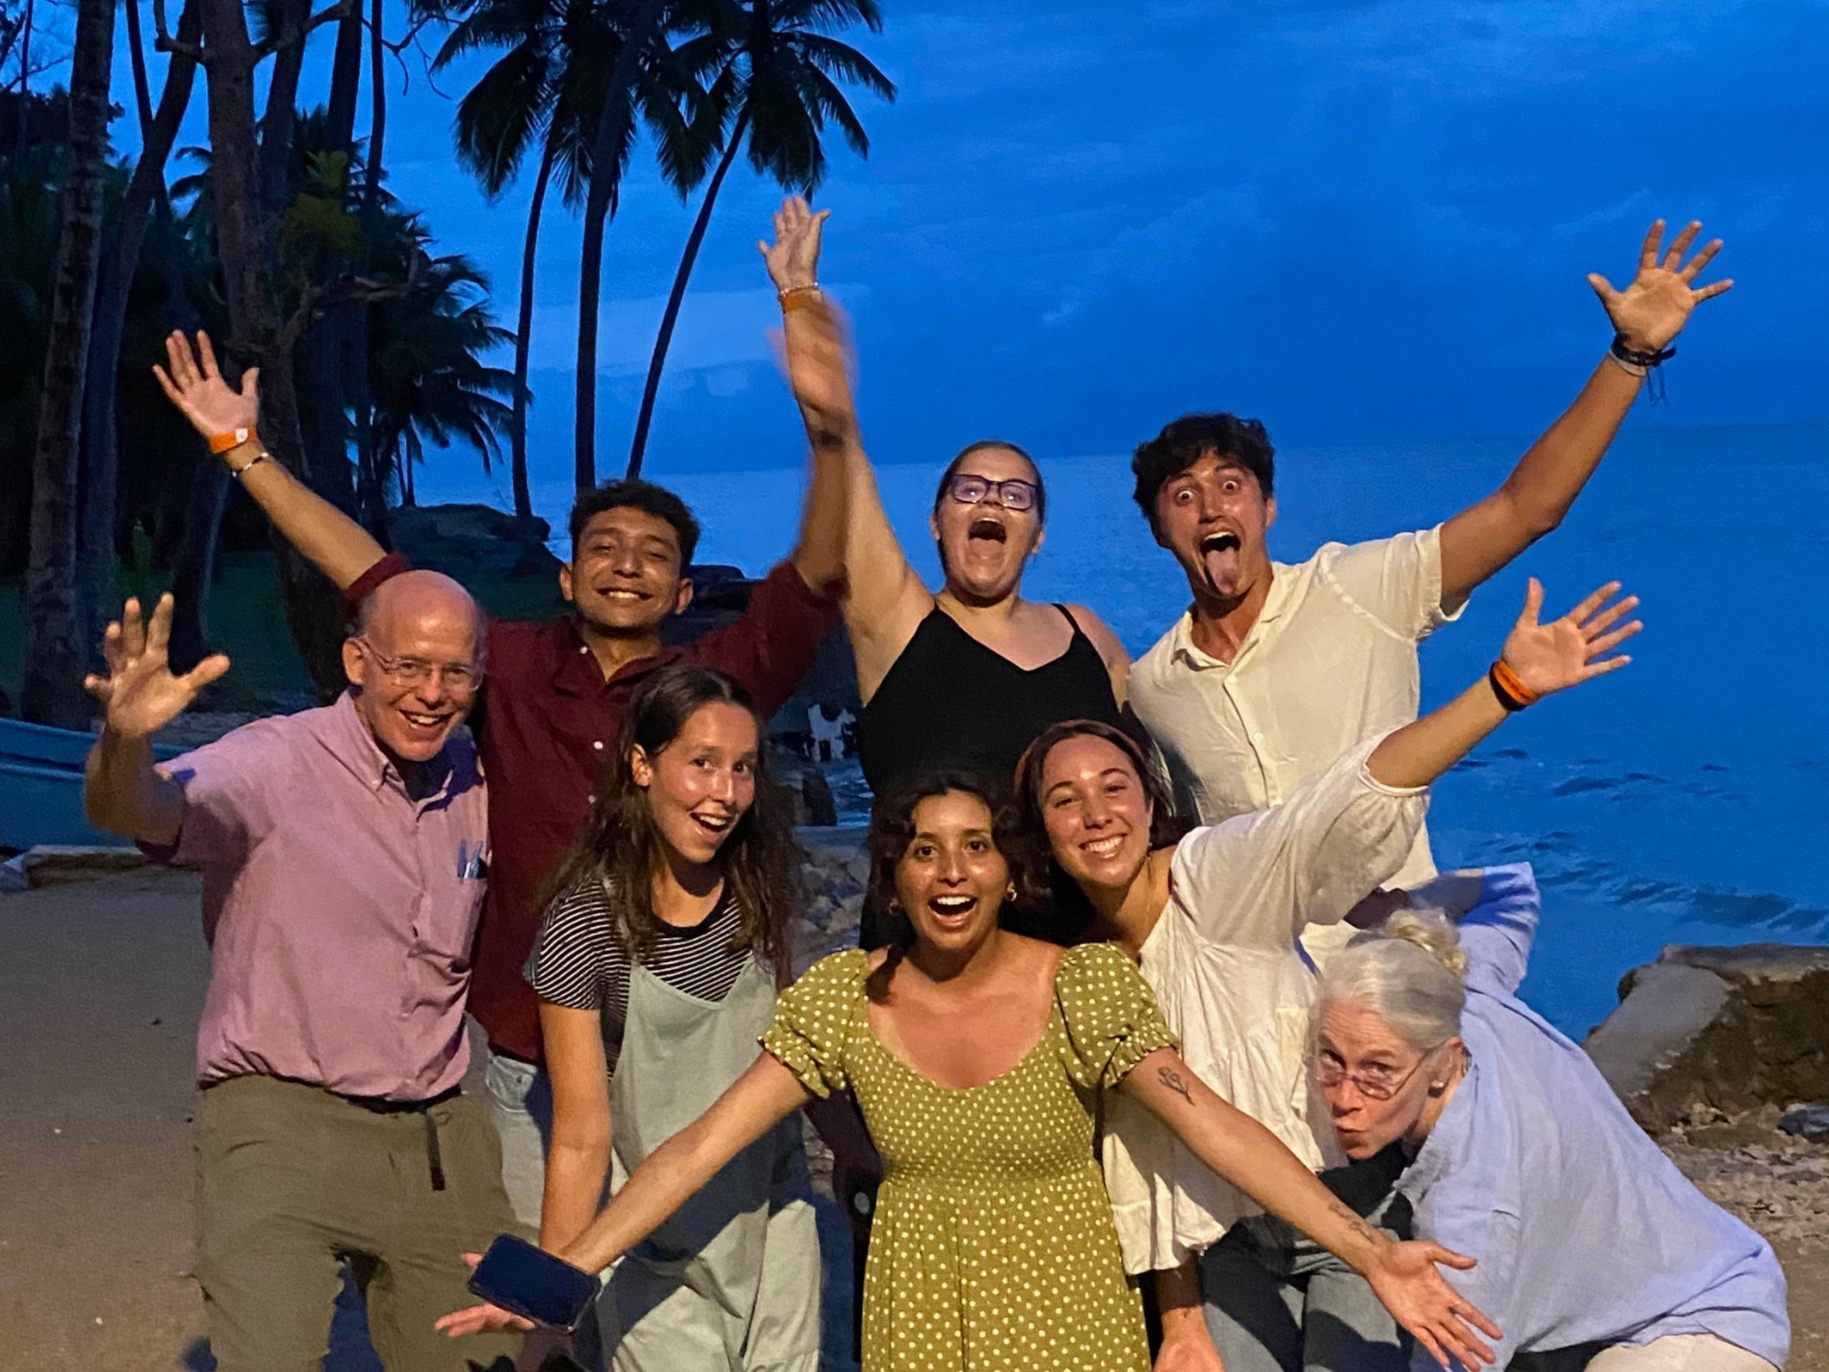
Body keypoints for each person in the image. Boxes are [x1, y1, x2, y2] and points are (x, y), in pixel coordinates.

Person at [440, 771, 1503, 1371]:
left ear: (1005, 870)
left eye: (976, 845)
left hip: (1068, 1309)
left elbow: (1211, 1125)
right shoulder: (842, 1000)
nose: (952, 869)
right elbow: (692, 1149)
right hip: (916, 1311)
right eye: (923, 848)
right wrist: (559, 1269)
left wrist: (1370, 1251)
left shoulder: (1081, 986)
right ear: (894, 874)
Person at [151, 328, 846, 1233]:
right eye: (603, 546)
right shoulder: (505, 664)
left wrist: (830, 431)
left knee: (679, 1278)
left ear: (682, 593)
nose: (626, 563)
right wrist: (242, 451)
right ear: (567, 574)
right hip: (530, 1043)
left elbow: (816, 575)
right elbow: (368, 573)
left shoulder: (714, 684)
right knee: (540, 1272)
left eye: (653, 553)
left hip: (683, 1043)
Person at [1021, 578, 1641, 1372]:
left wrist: (1501, 689)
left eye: (1114, 788)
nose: (1095, 813)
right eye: (1064, 801)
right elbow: (1145, 1153)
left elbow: (1338, 803)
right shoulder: (1086, 972)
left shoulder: (1212, 881)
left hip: (1360, 1208)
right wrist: (1178, 1323)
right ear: (1041, 830)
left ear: (1149, 799)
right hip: (1233, 1240)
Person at [1125, 218, 1732, 967]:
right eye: (1183, 496)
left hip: (1395, 961)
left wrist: (1630, 355)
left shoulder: (1357, 587)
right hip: (1254, 980)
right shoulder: (1153, 688)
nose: (1212, 508)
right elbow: (1180, 845)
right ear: (1157, 529)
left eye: (1230, 486)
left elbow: (1524, 508)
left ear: (1267, 508)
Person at [80, 582, 519, 1372]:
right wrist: (124, 741)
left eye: (455, 673)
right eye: (407, 665)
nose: (430, 693)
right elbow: (138, 811)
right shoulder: (275, 762)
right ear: (356, 660)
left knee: (491, 1357)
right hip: (279, 1124)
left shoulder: (475, 779)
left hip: (437, 1139)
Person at [1310, 867, 1790, 1372]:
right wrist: (1400, 908)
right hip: (1608, 1315)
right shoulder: (1463, 997)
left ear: (1444, 1062)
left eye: (1378, 1071)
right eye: (1331, 1059)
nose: (1344, 1097)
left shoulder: (1472, 1215)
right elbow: (1508, 890)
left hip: (1697, 1322)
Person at [764, 198, 1132, 809]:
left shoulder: (1085, 632)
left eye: (1016, 495)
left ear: (1038, 534)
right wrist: (799, 293)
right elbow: (841, 455)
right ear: (937, 522)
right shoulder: (897, 622)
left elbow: (1161, 752)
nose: (992, 499)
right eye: (970, 489)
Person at [524, 664, 819, 1369]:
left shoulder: (763, 896)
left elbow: (804, 1053)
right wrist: (550, 1306)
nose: (724, 793)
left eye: (743, 769)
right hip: (655, 1243)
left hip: (771, 1223)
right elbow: (580, 1137)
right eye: (702, 764)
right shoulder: (584, 925)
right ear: (641, 765)